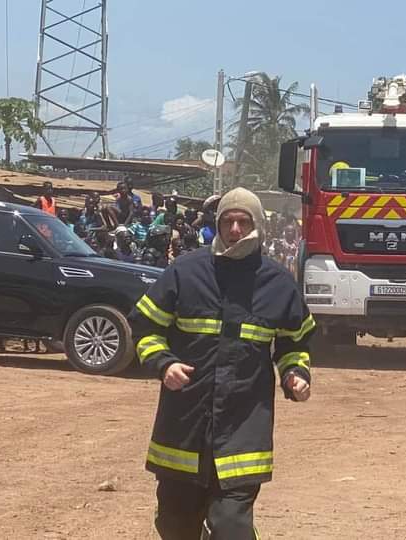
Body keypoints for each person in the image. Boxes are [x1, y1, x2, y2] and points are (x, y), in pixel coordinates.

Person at [128, 187, 314, 539]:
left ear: (257, 225)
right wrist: (164, 364)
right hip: (184, 423)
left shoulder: (279, 284)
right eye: (227, 221)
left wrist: (295, 373)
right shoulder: (185, 272)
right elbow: (146, 328)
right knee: (174, 522)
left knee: (231, 526)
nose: (234, 230)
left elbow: (295, 341)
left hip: (244, 423)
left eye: (243, 222)